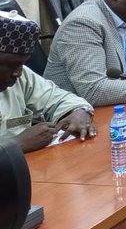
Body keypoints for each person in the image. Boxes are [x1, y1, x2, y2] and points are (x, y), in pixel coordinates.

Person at [0, 13, 96, 152]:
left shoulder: (22, 77)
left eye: (22, 64)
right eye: (10, 64)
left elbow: (57, 98)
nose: (18, 73)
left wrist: (78, 112)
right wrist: (16, 145)